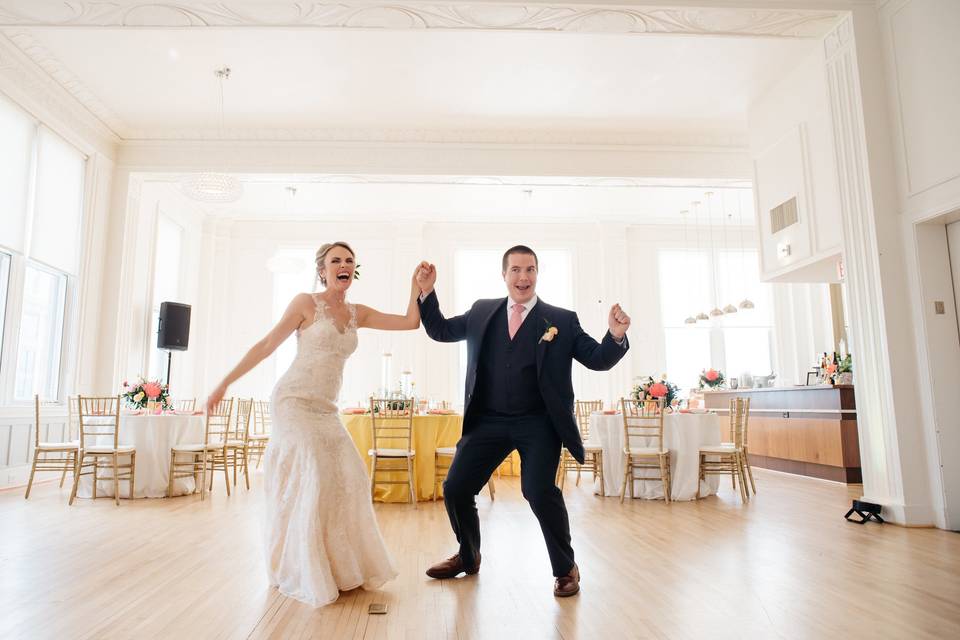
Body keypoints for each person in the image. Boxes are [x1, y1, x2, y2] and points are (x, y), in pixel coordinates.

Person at [205, 241, 424, 608]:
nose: (343, 265)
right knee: (312, 475)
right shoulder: (306, 303)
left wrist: (415, 288)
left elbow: (410, 322)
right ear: (322, 269)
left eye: (349, 261)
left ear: (354, 271)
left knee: (350, 476)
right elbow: (266, 345)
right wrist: (224, 383)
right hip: (293, 401)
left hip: (325, 409)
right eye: (335, 260)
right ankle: (300, 566)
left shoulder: (358, 313)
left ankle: (337, 567)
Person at [416, 245, 630, 597]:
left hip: (539, 423)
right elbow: (439, 330)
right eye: (515, 270)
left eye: (529, 269)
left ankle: (566, 568)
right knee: (455, 488)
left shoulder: (561, 319)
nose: (523, 277)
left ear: (537, 274)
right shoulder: (482, 311)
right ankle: (469, 556)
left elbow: (597, 358)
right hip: (488, 420)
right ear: (504, 275)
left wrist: (616, 335)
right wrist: (427, 291)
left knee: (538, 490)